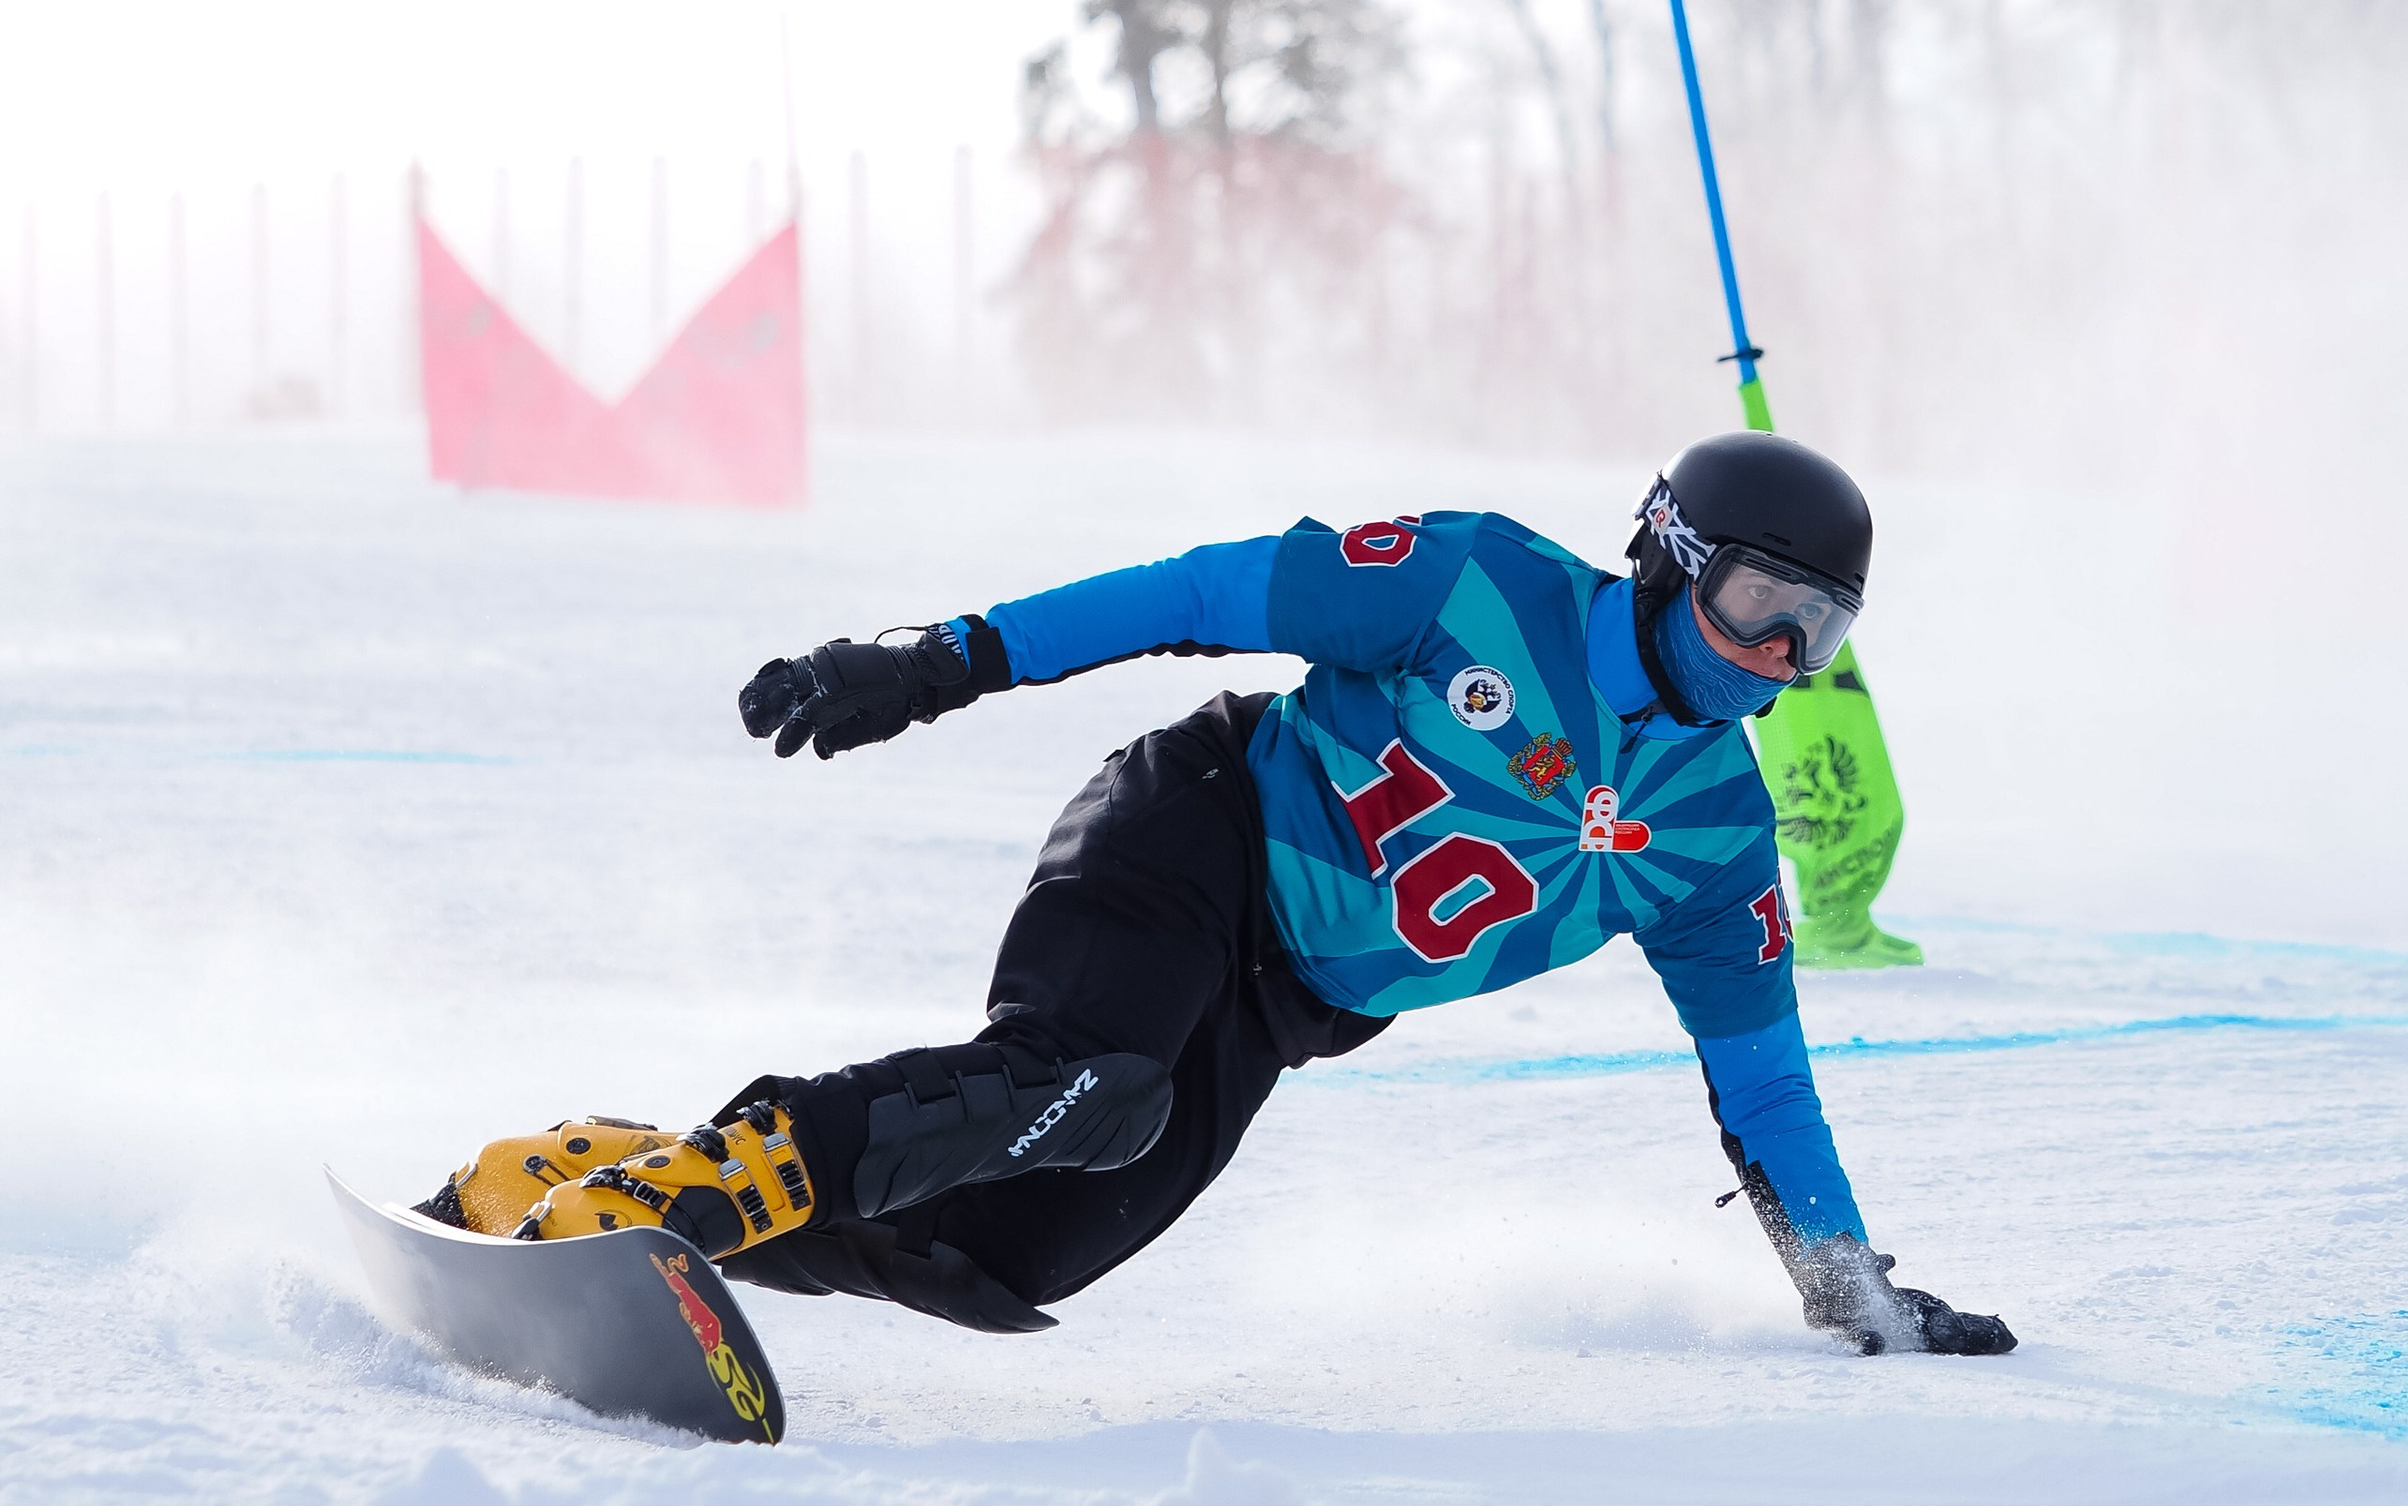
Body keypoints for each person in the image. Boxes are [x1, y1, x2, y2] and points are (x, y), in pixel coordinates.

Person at [428, 435, 2015, 1357]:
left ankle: (608, 1187)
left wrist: (1848, 1291)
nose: (1776, 663)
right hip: (1195, 833)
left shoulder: (1718, 836)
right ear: (1669, 554)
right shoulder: (1474, 583)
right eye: (1758, 608)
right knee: (1087, 1085)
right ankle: (702, 1188)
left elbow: (1763, 1086)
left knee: (1011, 1258)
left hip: (1285, 1002)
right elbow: (1195, 593)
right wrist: (941, 661)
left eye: (1818, 635)